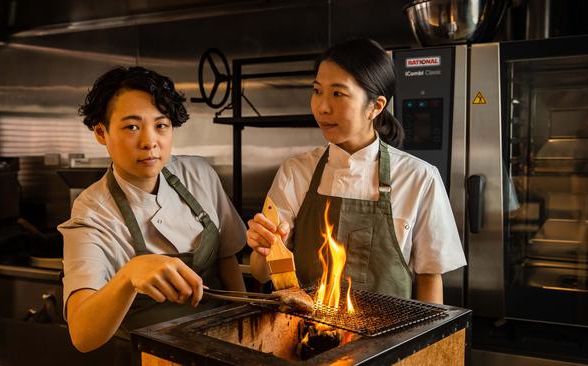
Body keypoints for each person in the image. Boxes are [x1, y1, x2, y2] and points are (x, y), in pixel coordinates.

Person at [246, 39, 466, 304]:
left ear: (376, 106)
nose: (322, 106)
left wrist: (428, 345)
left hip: (389, 342)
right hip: (305, 336)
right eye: (317, 91)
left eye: (338, 94)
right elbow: (262, 273)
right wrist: (262, 248)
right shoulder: (296, 172)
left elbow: (430, 278)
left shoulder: (418, 178)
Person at [58, 66, 246, 352]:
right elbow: (83, 335)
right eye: (132, 127)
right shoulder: (92, 214)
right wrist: (129, 275)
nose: (150, 142)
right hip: (147, 355)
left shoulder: (198, 174)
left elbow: (227, 259)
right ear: (101, 132)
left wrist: (244, 327)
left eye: (161, 125)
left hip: (219, 345)